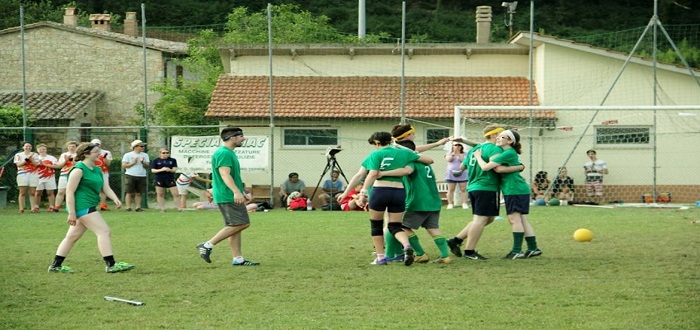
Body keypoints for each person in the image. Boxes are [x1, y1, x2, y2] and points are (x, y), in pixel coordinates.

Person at [47, 142, 134, 273]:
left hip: (87, 206)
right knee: (104, 232)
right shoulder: (78, 169)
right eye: (96, 152)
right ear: (86, 154)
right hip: (82, 206)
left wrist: (115, 199)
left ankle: (55, 266)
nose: (99, 154)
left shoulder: (97, 169)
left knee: (71, 237)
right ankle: (111, 265)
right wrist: (71, 213)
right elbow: (69, 192)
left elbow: (105, 187)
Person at [446, 126, 524, 260]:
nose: (500, 138)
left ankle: (456, 240)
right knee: (481, 219)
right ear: (493, 136)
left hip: (474, 186)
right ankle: (469, 252)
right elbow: (497, 168)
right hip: (486, 186)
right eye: (499, 135)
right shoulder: (494, 149)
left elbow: (462, 166)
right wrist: (519, 167)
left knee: (489, 218)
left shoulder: (476, 149)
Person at [357, 131, 434, 266]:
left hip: (380, 191)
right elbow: (429, 160)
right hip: (398, 191)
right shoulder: (404, 153)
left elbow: (373, 173)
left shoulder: (376, 154)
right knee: (395, 226)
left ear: (377, 143)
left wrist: (362, 192)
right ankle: (406, 246)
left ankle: (381, 258)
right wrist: (403, 148)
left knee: (376, 225)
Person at [379, 139, 453, 264]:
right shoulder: (425, 163)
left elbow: (407, 171)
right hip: (434, 200)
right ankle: (445, 256)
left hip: (418, 201)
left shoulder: (411, 161)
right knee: (433, 228)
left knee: (401, 227)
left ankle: (420, 254)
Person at [473, 130, 542, 259]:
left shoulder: (508, 152)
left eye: (502, 137)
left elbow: (486, 167)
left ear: (510, 141)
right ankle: (533, 248)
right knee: (520, 219)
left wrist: (477, 156)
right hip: (517, 188)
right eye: (497, 136)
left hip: (514, 189)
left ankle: (517, 251)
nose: (498, 138)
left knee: (514, 219)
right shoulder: (508, 152)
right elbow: (501, 168)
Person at [196, 127, 259, 266]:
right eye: (241, 136)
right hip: (227, 195)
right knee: (242, 223)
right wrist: (236, 192)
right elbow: (225, 174)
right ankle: (207, 245)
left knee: (234, 226)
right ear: (233, 138)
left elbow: (232, 176)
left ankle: (238, 259)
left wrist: (240, 192)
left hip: (230, 194)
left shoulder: (229, 153)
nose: (244, 138)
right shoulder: (224, 153)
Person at [121, 139, 150, 212]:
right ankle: (128, 207)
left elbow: (147, 166)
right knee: (129, 192)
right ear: (135, 146)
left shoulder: (145, 155)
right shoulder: (128, 155)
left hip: (141, 175)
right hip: (130, 175)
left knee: (139, 192)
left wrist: (143, 162)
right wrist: (133, 163)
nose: (143, 147)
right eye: (141, 146)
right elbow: (124, 165)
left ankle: (138, 207)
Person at [14, 141, 40, 213]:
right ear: (23, 147)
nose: (28, 147)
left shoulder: (35, 155)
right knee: (22, 192)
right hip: (22, 174)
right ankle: (21, 208)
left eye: (30, 146)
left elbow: (36, 164)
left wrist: (31, 158)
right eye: (26, 146)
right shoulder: (18, 155)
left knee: (32, 192)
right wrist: (27, 158)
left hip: (33, 174)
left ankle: (33, 208)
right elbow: (19, 164)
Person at [34, 144, 60, 212]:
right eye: (40, 149)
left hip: (50, 177)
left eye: (43, 149)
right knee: (38, 192)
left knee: (50, 192)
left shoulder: (51, 158)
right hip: (38, 177)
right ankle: (36, 207)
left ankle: (51, 207)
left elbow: (56, 166)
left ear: (46, 150)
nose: (42, 150)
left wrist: (46, 164)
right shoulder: (35, 158)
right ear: (37, 150)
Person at [54, 141, 78, 211]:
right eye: (70, 146)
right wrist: (65, 160)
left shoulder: (78, 154)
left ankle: (71, 207)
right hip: (64, 174)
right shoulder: (64, 155)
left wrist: (72, 161)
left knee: (72, 191)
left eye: (73, 146)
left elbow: (78, 164)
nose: (71, 148)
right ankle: (56, 207)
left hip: (74, 175)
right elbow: (60, 165)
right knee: (61, 191)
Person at [445, 142, 469, 209]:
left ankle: (464, 203)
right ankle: (450, 204)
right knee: (451, 189)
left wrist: (458, 154)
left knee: (463, 189)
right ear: (452, 146)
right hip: (451, 174)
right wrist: (453, 154)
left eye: (459, 145)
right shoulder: (449, 153)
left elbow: (464, 161)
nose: (457, 146)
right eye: (456, 145)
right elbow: (449, 159)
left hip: (462, 173)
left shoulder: (465, 154)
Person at [91, 139, 113, 211]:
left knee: (104, 189)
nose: (96, 146)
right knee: (93, 189)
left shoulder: (106, 152)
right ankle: (92, 205)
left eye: (97, 144)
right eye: (94, 144)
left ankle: (103, 205)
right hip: (92, 172)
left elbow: (108, 164)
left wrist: (104, 158)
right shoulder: (89, 152)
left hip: (103, 172)